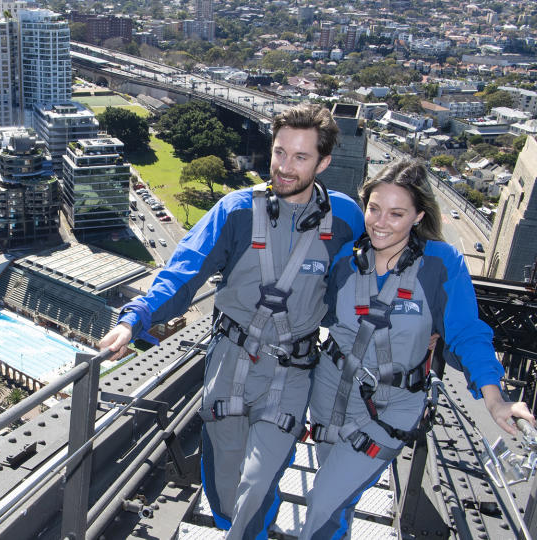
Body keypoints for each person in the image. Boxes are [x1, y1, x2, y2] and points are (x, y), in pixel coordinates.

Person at [99, 103, 365, 539]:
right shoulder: (237, 211)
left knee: (258, 481)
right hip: (231, 361)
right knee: (224, 483)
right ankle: (236, 524)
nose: (285, 166)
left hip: (292, 370)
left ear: (324, 162)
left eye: (301, 157)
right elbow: (185, 271)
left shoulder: (346, 219)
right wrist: (136, 318)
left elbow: (377, 269)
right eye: (280, 152)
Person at [300, 159, 535, 539]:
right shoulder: (346, 259)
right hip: (330, 394)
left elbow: (467, 332)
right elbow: (314, 313)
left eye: (397, 213)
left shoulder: (440, 265)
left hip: (393, 405)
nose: (380, 222)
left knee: (322, 500)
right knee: (336, 494)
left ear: (418, 215)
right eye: (374, 209)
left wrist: (495, 400)